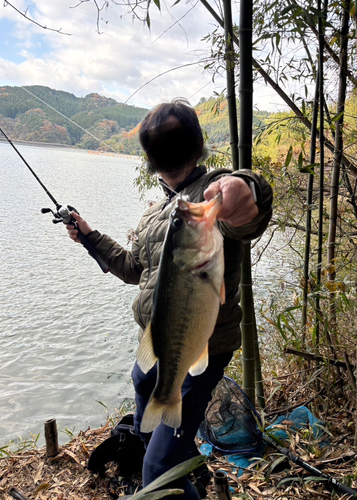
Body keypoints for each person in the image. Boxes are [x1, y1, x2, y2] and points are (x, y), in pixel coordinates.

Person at [66, 99, 273, 499]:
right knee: (145, 395)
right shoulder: (156, 212)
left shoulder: (207, 197)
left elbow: (247, 208)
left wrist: (247, 188)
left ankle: (168, 474)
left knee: (158, 467)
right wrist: (90, 238)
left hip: (201, 345)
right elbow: (132, 268)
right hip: (159, 340)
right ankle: (170, 450)